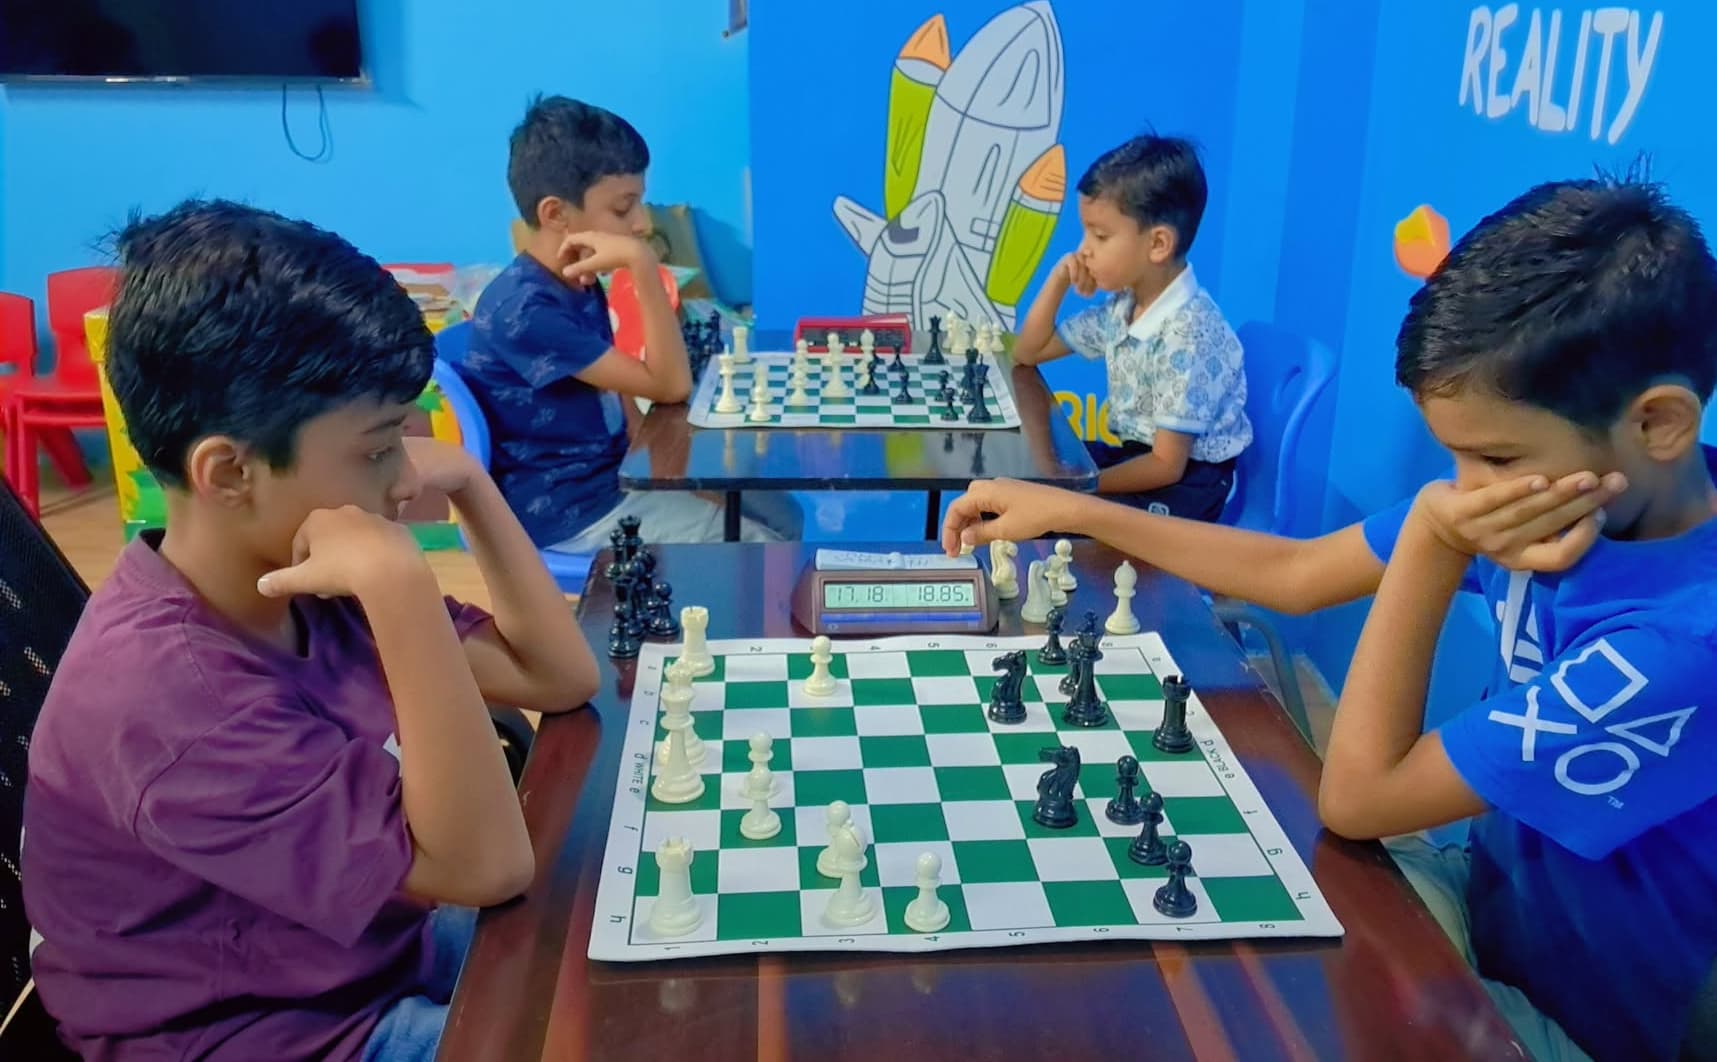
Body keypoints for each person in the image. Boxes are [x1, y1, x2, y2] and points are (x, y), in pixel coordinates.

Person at [943, 175, 1717, 1061]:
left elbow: (1359, 799)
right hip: (1488, 904)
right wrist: (1077, 511)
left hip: (1581, 1021)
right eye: (1453, 459)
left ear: (1657, 424)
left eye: (1495, 458)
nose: (1463, 489)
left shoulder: (1681, 641)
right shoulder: (1582, 496)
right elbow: (1300, 573)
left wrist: (1432, 541)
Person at [22, 200, 600, 1061]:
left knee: (620, 954)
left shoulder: (297, 569)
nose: (402, 480)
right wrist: (401, 587)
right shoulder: (169, 695)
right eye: (376, 449)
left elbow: (558, 678)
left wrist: (472, 486)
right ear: (230, 472)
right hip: (273, 1032)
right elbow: (487, 869)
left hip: (369, 952)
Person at [464, 94, 781, 551]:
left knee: (777, 511)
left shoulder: (575, 279)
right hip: (569, 511)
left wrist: (682, 483)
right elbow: (671, 386)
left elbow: (627, 398)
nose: (641, 224)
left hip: (616, 479)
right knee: (760, 545)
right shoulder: (527, 310)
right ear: (556, 213)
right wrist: (643, 265)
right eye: (623, 208)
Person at [1012, 134, 1250, 521]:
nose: (1084, 249)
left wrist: (1083, 488)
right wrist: (1059, 279)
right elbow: (1028, 352)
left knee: (1043, 515)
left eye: (1100, 236)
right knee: (1019, 487)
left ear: (1158, 244)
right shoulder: (1124, 308)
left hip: (1189, 486)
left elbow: (1166, 465)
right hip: (1137, 458)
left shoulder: (1190, 334)